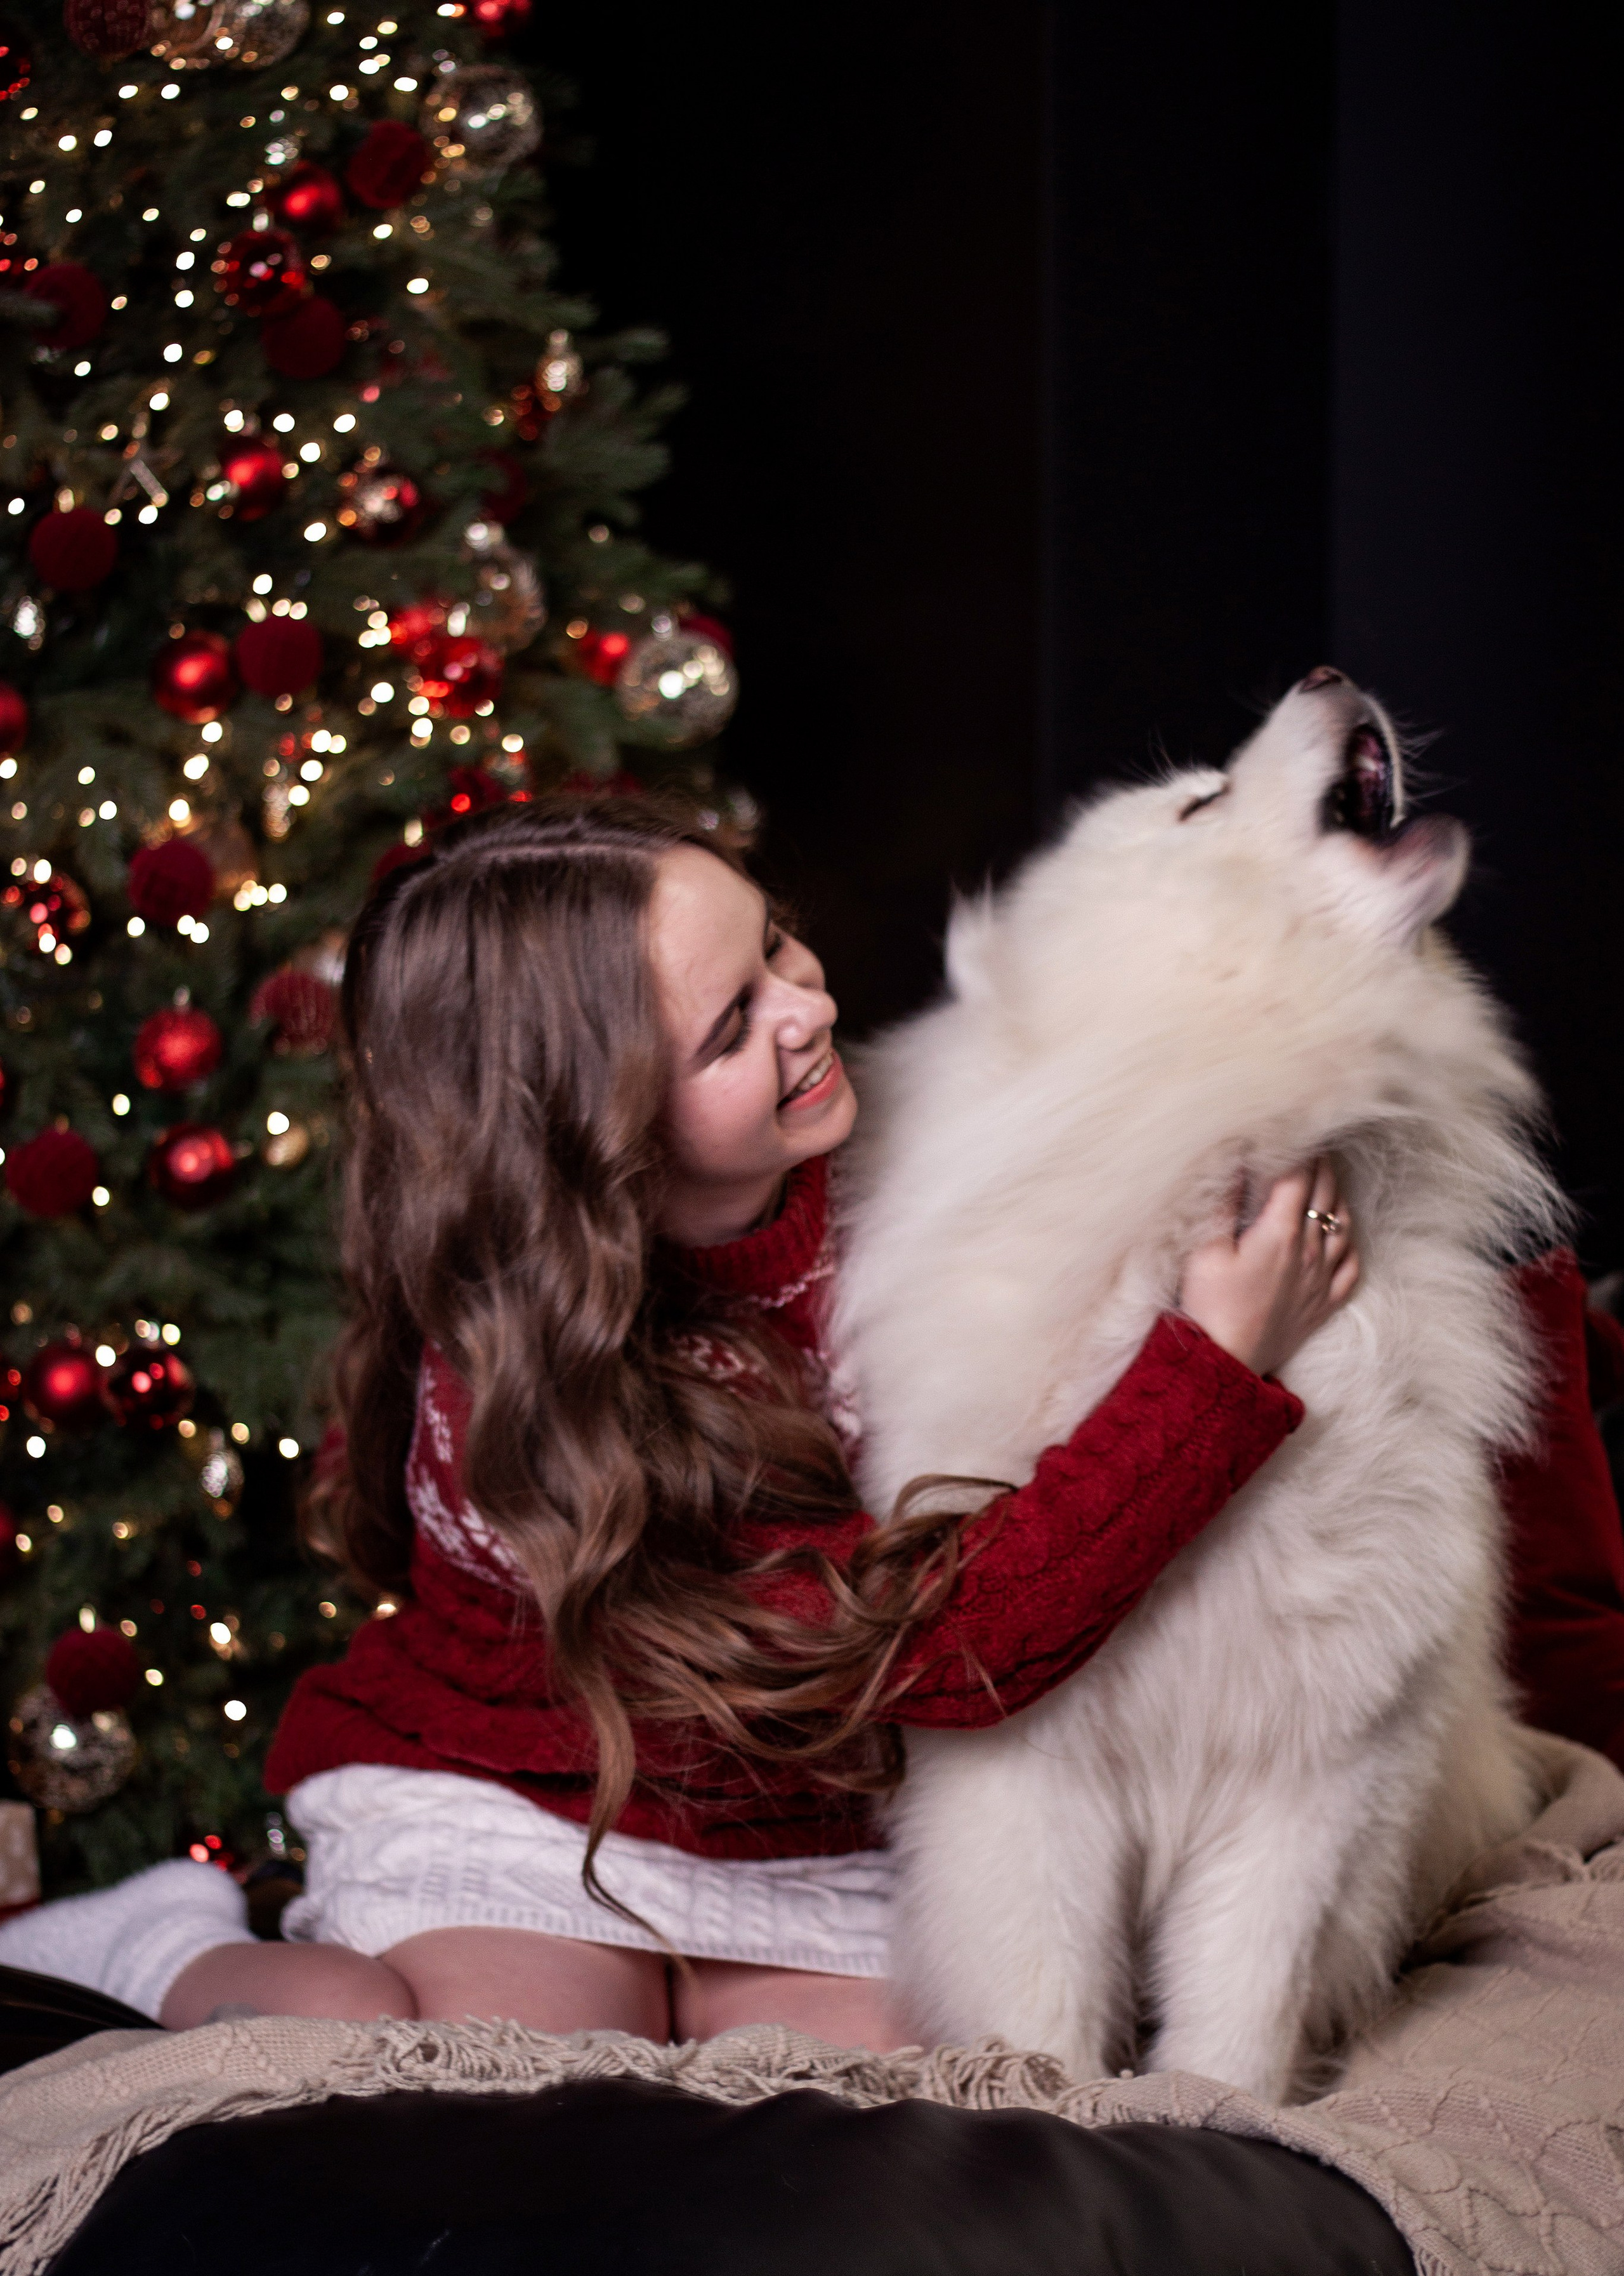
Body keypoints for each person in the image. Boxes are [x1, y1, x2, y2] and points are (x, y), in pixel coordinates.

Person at [2, 796, 1618, 2042]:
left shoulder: (896, 1152)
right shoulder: (526, 1387)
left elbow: (1132, 1087)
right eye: (727, 1028)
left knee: (870, 2086)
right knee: (459, 2057)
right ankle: (162, 1934)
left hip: (811, 1830)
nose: (803, 1005)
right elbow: (929, 1645)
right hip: (530, 1791)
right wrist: (1215, 1368)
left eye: (776, 944)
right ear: (602, 1141)